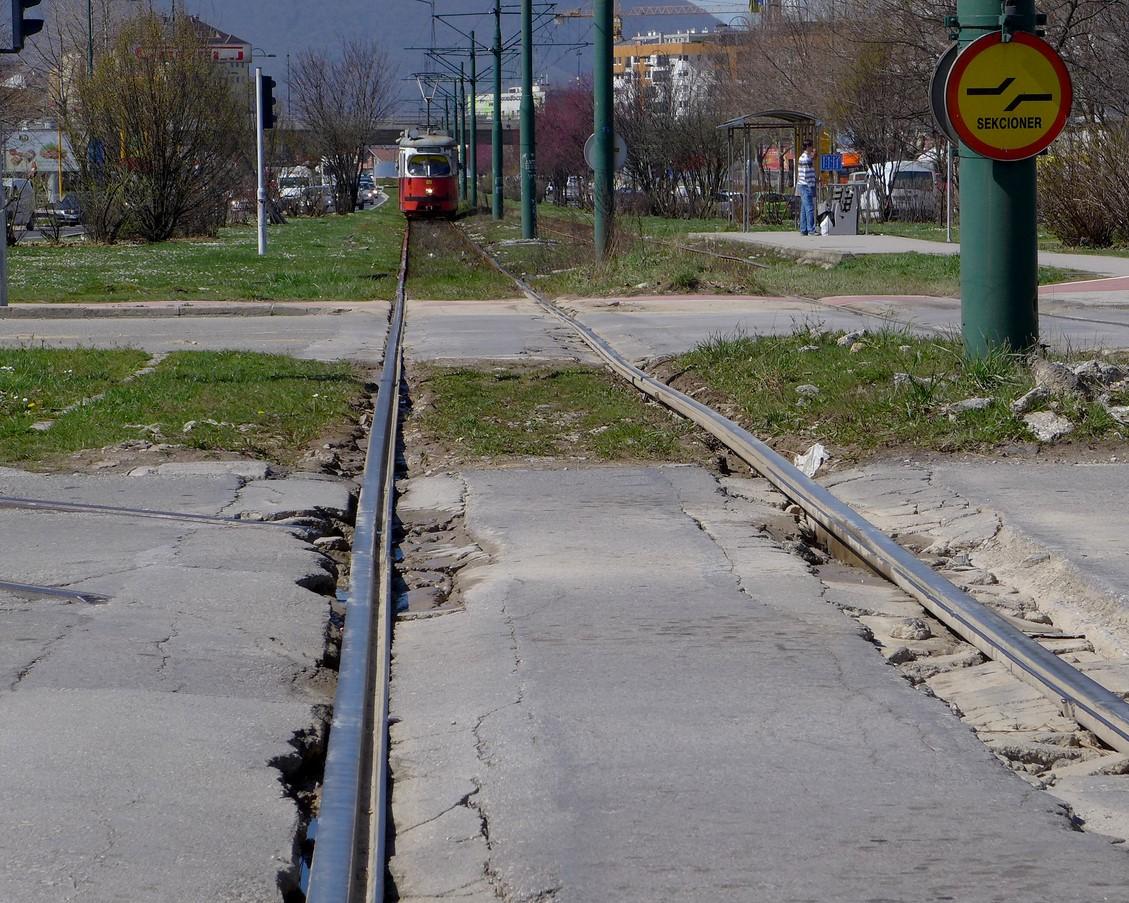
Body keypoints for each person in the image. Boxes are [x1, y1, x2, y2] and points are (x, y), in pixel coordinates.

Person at [797, 139, 817, 236]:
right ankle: (811, 229)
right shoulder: (806, 159)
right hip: (806, 185)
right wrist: (813, 182)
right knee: (809, 208)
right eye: (811, 146)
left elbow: (812, 159)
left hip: (802, 184)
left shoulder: (804, 157)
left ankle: (803, 229)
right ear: (808, 147)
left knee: (804, 208)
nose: (812, 148)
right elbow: (807, 173)